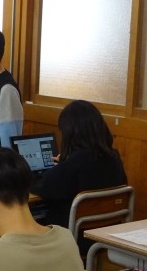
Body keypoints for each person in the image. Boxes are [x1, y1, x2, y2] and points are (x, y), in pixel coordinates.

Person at [32, 100, 127, 233]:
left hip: (74, 235)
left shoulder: (76, 163)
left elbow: (41, 186)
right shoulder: (114, 157)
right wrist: (64, 165)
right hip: (107, 231)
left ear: (70, 132)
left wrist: (62, 166)